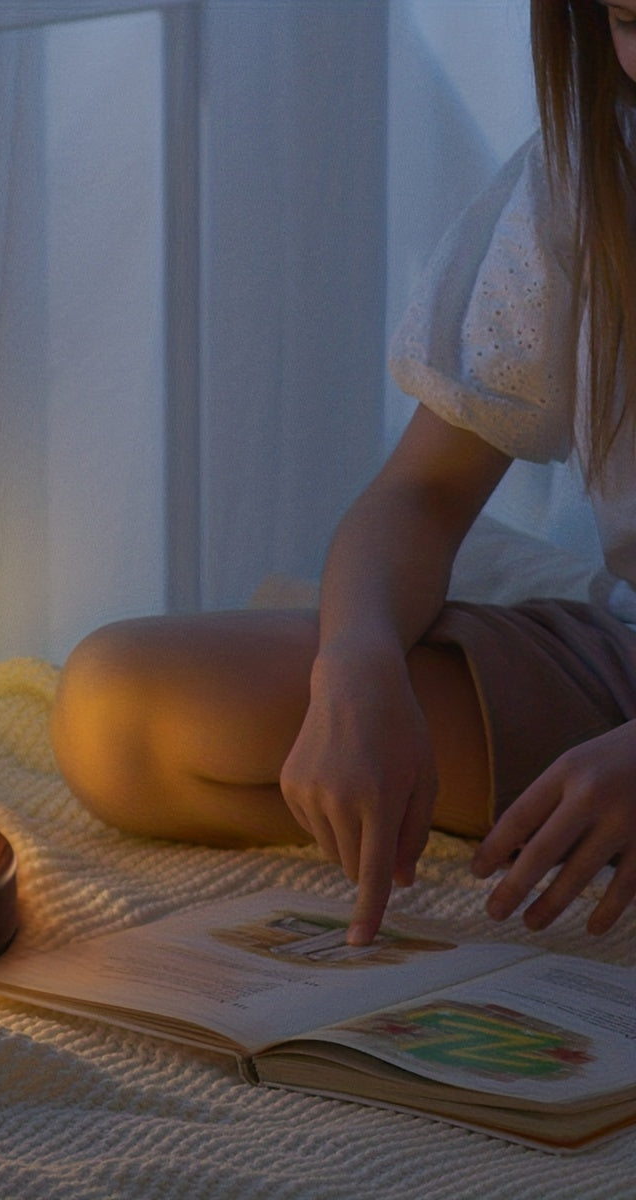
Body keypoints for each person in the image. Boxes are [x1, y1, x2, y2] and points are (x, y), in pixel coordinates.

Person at [51, 0, 636, 947]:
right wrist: (357, 670)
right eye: (629, 19)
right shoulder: (593, 178)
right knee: (116, 714)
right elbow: (425, 491)